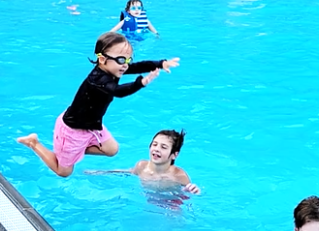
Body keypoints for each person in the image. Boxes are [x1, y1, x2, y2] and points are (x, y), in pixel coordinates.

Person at [16, 32, 179, 177]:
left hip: (91, 126)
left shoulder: (114, 67)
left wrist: (159, 63)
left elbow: (137, 66)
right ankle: (33, 143)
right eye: (122, 59)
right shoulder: (97, 80)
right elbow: (118, 91)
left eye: (128, 59)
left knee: (112, 149)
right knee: (64, 171)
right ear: (102, 59)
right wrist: (142, 82)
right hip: (72, 130)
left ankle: (74, 151)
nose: (126, 64)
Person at [86, 129, 201, 195]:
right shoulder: (142, 166)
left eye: (163, 147)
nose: (156, 149)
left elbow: (188, 193)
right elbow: (127, 172)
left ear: (174, 155)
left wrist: (193, 191)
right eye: (154, 144)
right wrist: (100, 172)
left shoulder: (179, 176)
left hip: (169, 203)